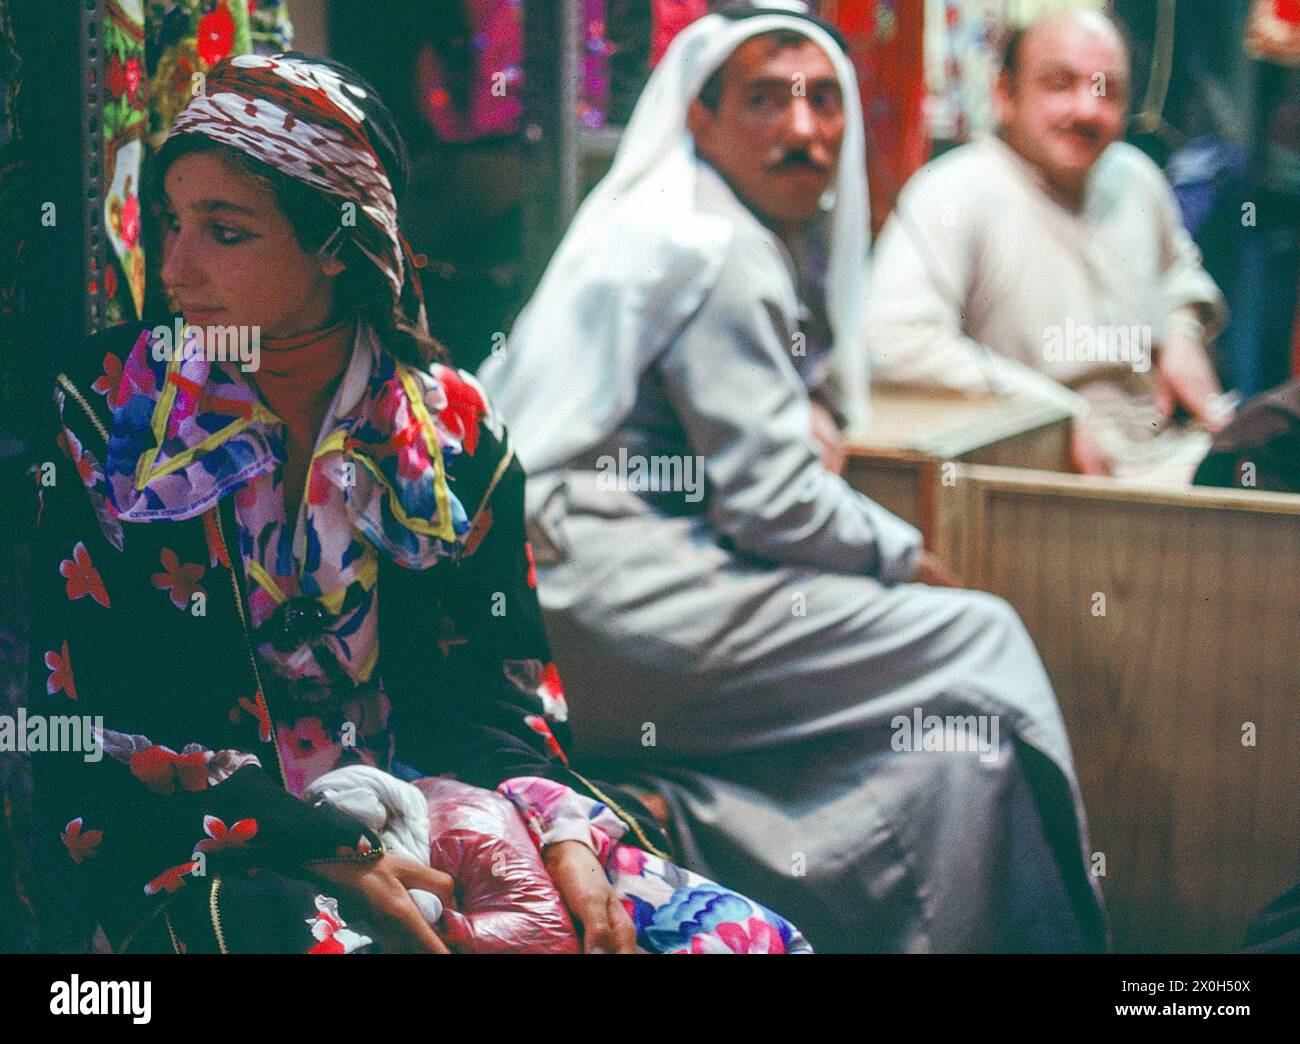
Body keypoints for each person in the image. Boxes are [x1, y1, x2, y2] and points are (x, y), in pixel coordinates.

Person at [27, 52, 810, 955]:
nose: (176, 266)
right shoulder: (110, 419)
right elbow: (89, 727)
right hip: (214, 847)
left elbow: (492, 705)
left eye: (224, 231)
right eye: (170, 222)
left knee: (735, 939)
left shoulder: (454, 436)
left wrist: (565, 843)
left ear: (336, 245)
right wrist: (318, 849)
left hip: (427, 811)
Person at [478, 8, 1108, 953]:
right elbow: (774, 502)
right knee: (981, 635)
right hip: (609, 605)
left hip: (548, 604)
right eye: (766, 100)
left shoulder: (663, 219)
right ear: (702, 120)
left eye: (822, 101)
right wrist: (906, 557)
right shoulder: (721, 247)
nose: (803, 129)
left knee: (950, 749)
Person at [863, 9, 1230, 485]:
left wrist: (1182, 329)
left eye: (1107, 90)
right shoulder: (956, 190)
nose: (1086, 110)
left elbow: (1181, 274)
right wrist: (1053, 414)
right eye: (1060, 83)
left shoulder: (1134, 176)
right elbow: (892, 341)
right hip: (1037, 478)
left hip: (1166, 451)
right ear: (1005, 93)